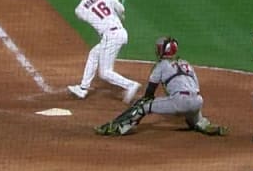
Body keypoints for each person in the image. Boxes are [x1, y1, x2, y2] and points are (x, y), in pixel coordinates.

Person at [94, 36, 228, 136]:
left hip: (179, 102)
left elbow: (149, 93)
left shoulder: (161, 66)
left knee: (142, 107)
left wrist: (143, 101)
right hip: (198, 101)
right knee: (193, 114)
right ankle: (202, 123)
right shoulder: (186, 64)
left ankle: (117, 128)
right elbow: (196, 86)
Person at [67, 0, 141, 103]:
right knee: (94, 54)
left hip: (110, 36)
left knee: (105, 72)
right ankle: (83, 88)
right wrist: (120, 12)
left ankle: (130, 85)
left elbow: (96, 15)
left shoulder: (79, 10)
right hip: (121, 33)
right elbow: (121, 10)